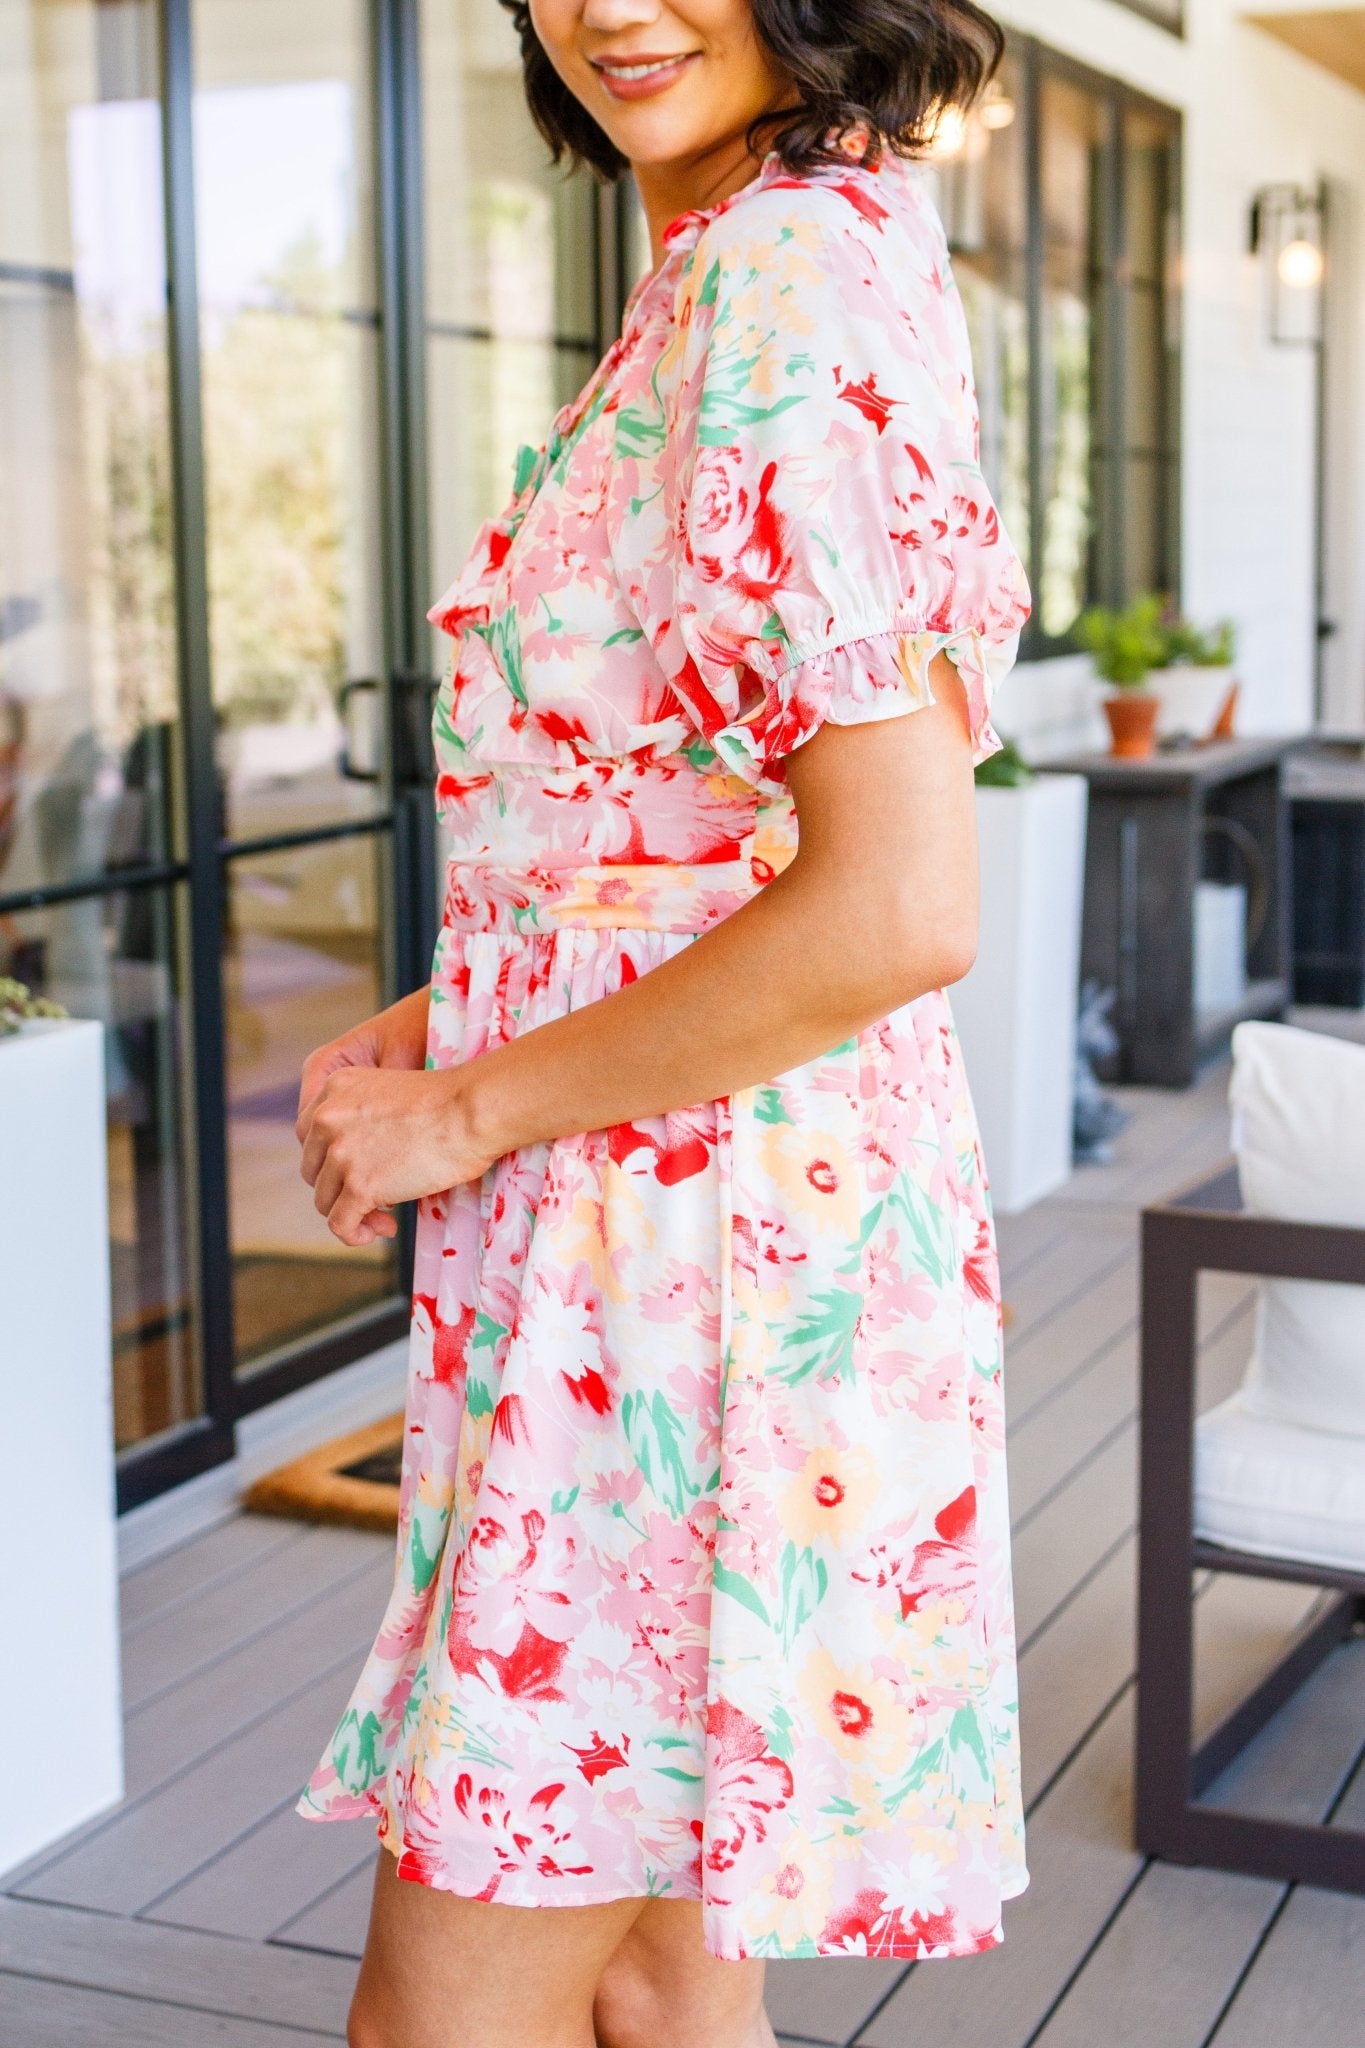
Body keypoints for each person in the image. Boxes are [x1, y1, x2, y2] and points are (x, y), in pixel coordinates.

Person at [293, 2, 1032, 2043]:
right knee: (652, 1989)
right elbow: (687, 843)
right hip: (680, 1245)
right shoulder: (744, 254)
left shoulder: (793, 270)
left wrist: (464, 1112)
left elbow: (895, 901)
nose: (610, 5)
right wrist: (449, 1022)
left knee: (445, 2019)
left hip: (692, 1286)